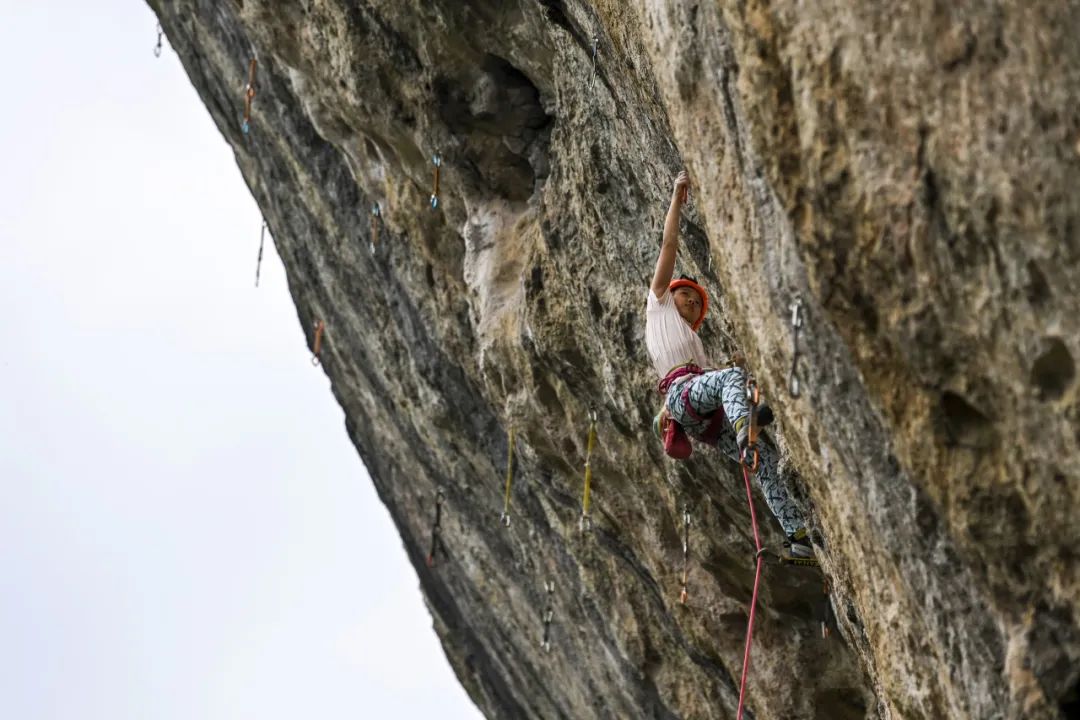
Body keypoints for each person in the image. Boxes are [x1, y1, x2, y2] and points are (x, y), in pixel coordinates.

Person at [645, 171, 812, 558]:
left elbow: (715, 383)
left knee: (764, 458)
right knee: (731, 380)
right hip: (685, 396)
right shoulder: (658, 304)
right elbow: (668, 243)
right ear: (673, 295)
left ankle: (798, 536)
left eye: (697, 304)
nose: (692, 304)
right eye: (688, 296)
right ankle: (746, 424)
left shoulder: (691, 344)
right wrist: (676, 196)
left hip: (706, 419)